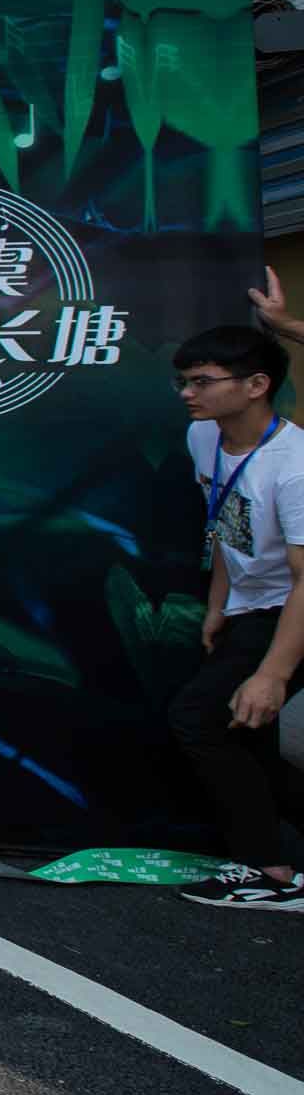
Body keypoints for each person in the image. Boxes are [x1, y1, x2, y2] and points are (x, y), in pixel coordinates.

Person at [167, 324, 304, 909]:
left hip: (291, 609)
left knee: (201, 720)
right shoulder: (205, 437)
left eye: (202, 381)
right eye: (183, 381)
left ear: (256, 385)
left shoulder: (294, 465)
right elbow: (225, 519)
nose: (187, 393)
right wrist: (221, 603)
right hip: (253, 606)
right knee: (248, 739)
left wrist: (272, 672)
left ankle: (270, 872)